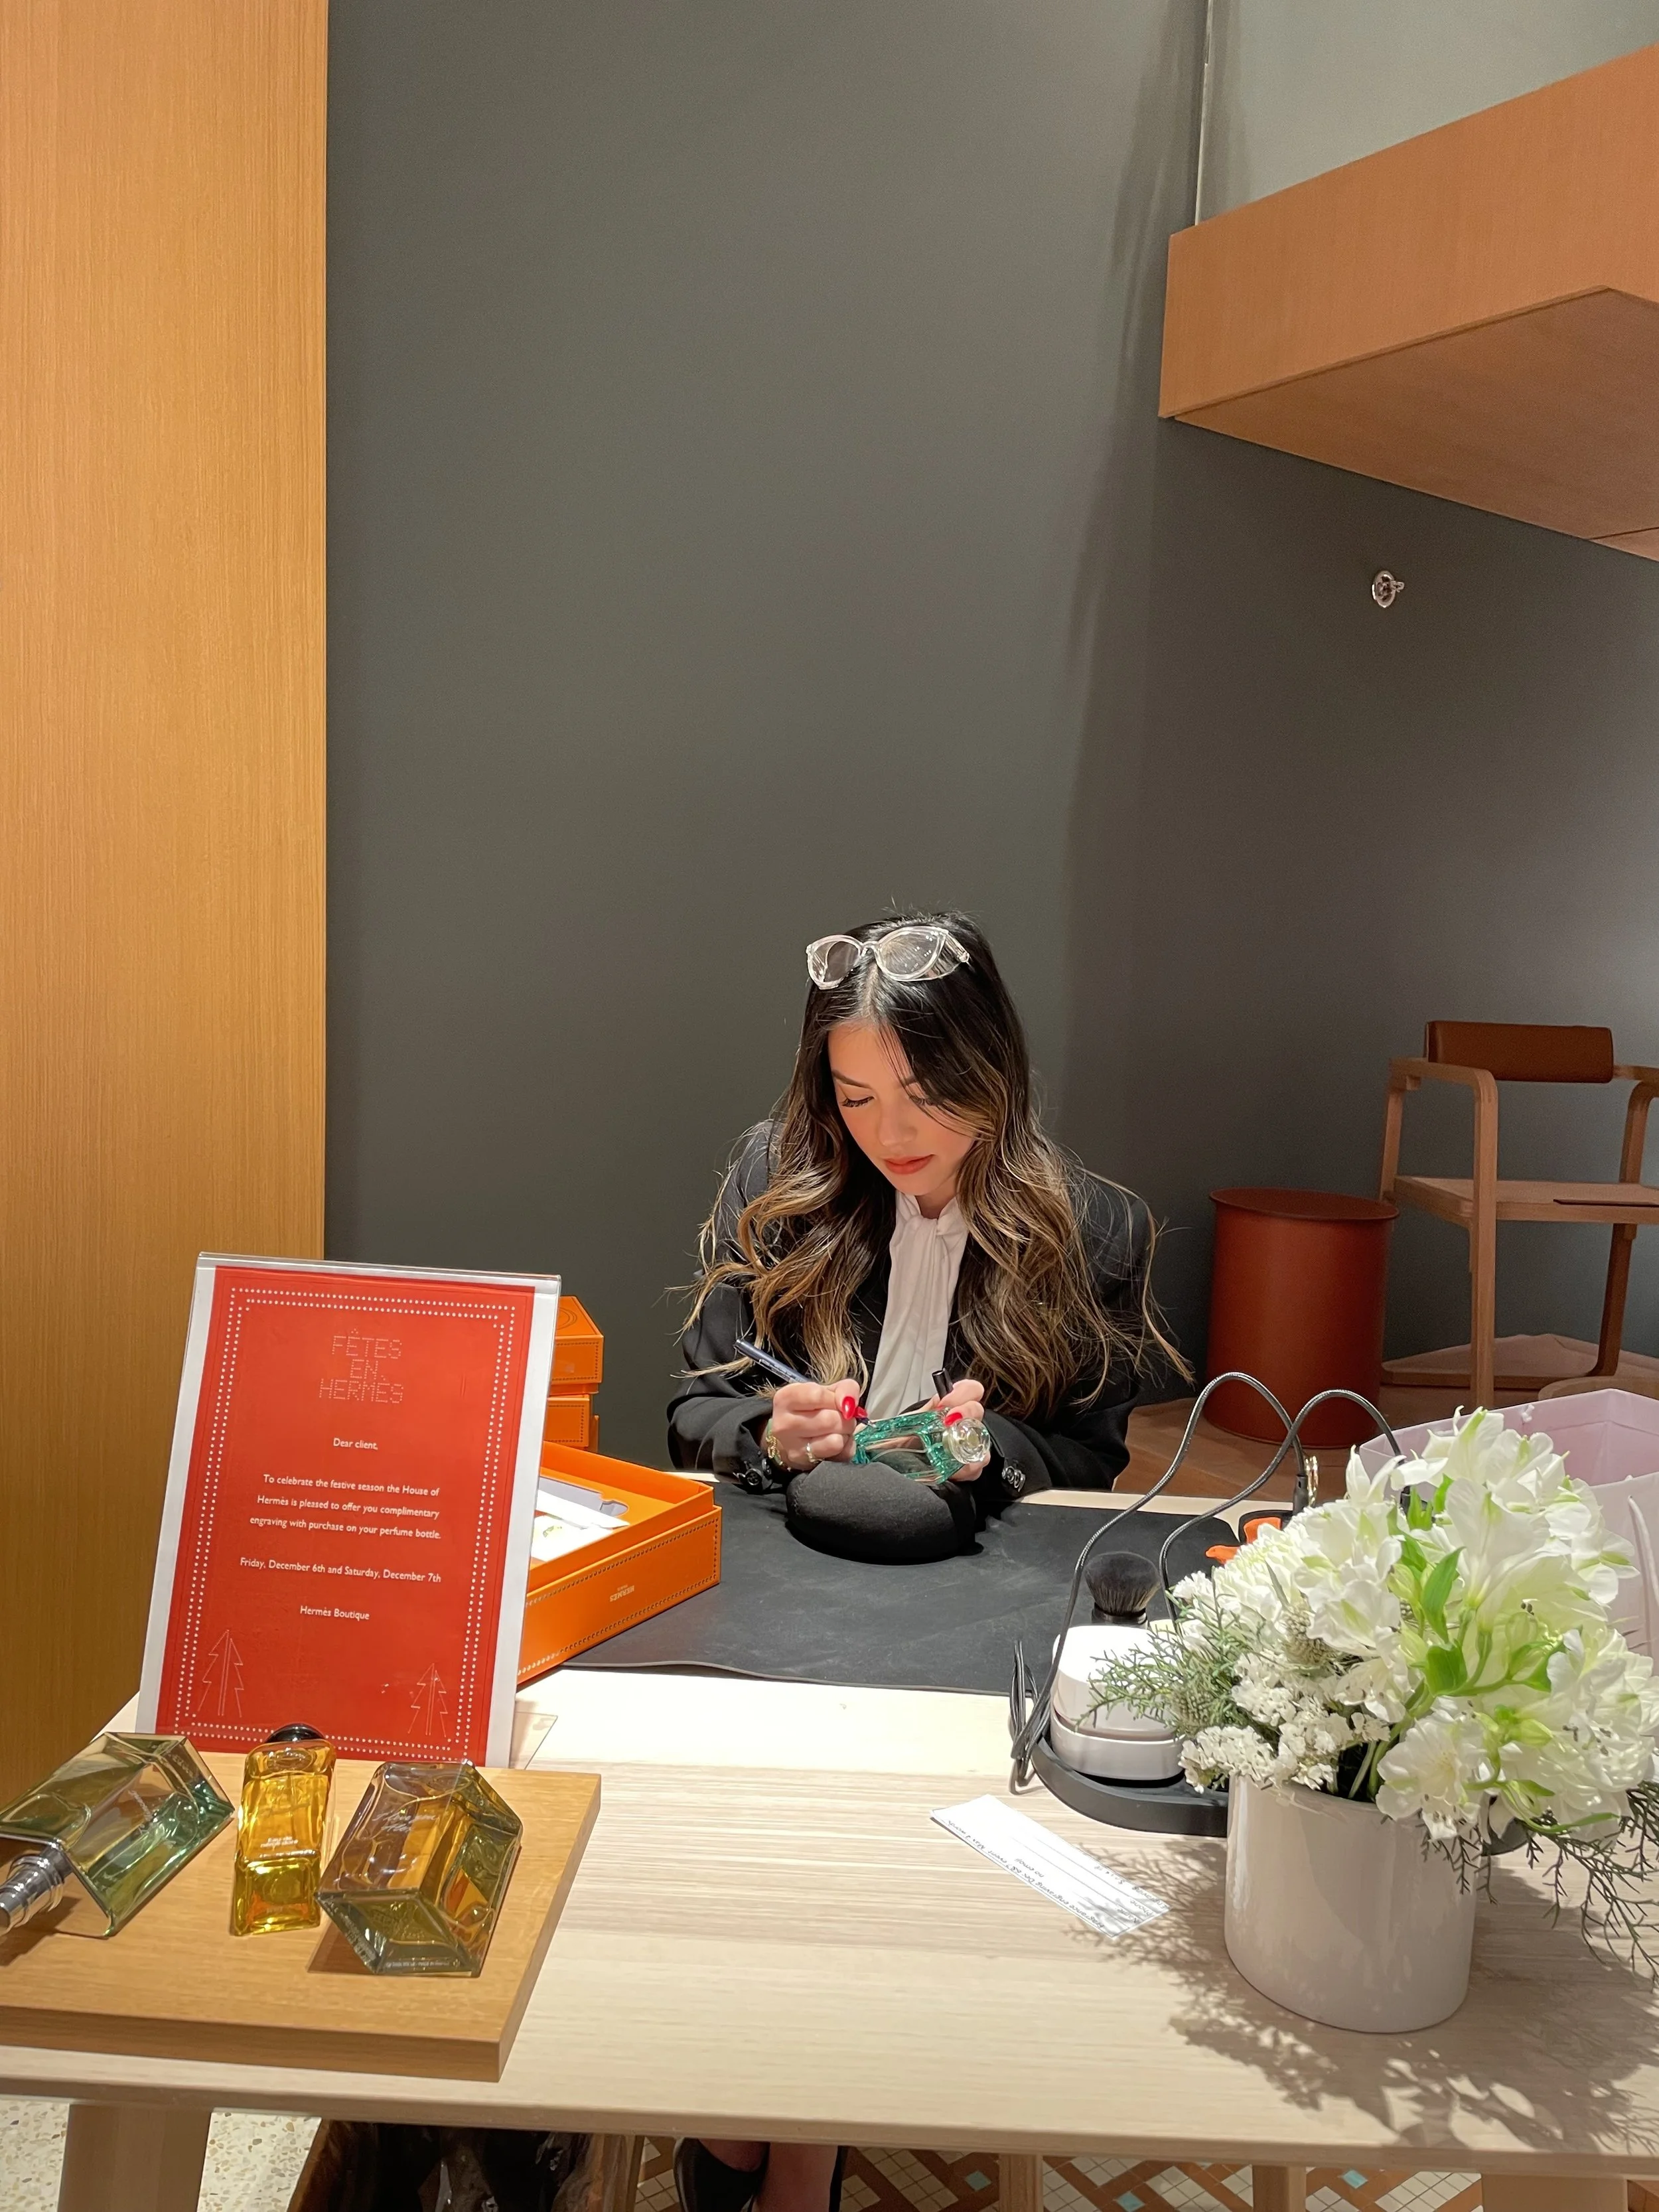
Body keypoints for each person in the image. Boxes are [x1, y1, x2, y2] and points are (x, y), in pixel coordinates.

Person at [666, 911, 1181, 2212]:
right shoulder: (775, 1182)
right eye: (854, 1098)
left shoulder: (1093, 1231)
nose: (890, 1133)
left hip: (966, 1590)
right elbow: (694, 1411)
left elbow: (1089, 1451)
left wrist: (991, 1449)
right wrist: (766, 1431)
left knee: (886, 1835)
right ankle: (778, 2110)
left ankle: (794, 2130)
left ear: (992, 1068)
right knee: (748, 1810)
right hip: (786, 1570)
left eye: (924, 1094)